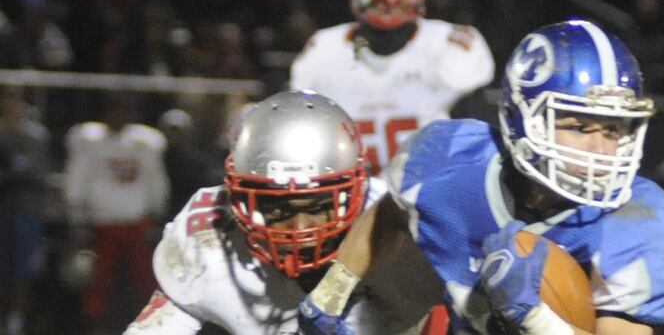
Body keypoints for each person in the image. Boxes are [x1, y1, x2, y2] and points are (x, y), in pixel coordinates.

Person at [299, 20, 664, 335]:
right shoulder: (452, 163)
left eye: (613, 130)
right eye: (579, 126)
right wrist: (332, 293)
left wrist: (536, 318)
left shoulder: (638, 219)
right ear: (525, 119)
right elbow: (390, 214)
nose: (602, 150)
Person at [124, 90, 444, 334]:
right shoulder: (208, 240)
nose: (299, 229)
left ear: (356, 192)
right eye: (278, 208)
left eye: (319, 207)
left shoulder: (401, 235)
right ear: (238, 199)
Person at [290, 0, 495, 175]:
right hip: (347, 199)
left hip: (427, 198)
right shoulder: (323, 50)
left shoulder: (450, 46)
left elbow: (479, 151)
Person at [64, 95, 170, 333]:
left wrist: (157, 209)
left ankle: (153, 325)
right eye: (116, 110)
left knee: (146, 280)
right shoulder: (89, 140)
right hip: (102, 223)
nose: (120, 115)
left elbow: (156, 180)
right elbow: (76, 178)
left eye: (125, 110)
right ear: (106, 113)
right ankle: (94, 326)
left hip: (136, 223)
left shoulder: (146, 142)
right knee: (97, 281)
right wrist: (76, 213)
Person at [0, 87, 52, 335]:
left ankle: (15, 325)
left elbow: (38, 174)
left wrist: (12, 175)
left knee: (22, 272)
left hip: (26, 211)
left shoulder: (36, 136)